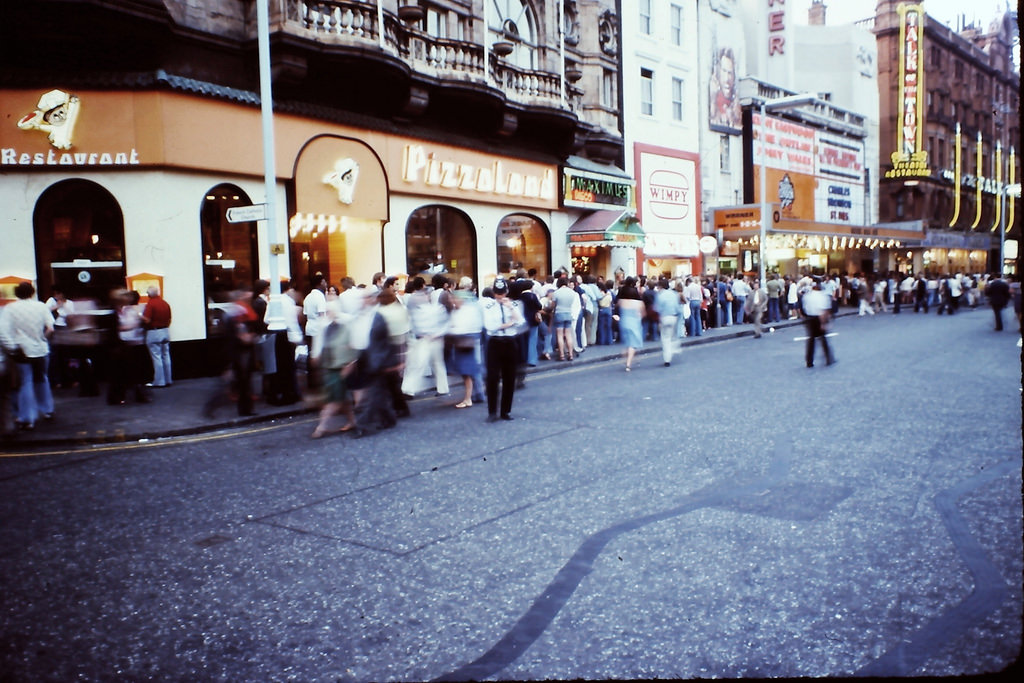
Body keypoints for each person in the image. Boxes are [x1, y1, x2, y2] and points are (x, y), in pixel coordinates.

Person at [0, 282, 55, 430]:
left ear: (17, 293)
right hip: (41, 349)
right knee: (42, 378)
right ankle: (47, 409)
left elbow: (4, 331)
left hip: (22, 350)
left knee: (26, 382)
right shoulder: (41, 306)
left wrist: (12, 348)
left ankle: (28, 417)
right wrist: (43, 338)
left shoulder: (10, 309)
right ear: (32, 292)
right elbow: (50, 327)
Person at [311, 300, 357, 438]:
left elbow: (353, 346)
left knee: (334, 399)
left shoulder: (347, 325)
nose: (327, 313)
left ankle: (322, 427)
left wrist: (350, 364)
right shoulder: (325, 325)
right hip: (329, 366)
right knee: (341, 397)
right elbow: (321, 342)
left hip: (341, 367)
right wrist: (316, 355)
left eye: (330, 310)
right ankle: (353, 420)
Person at [482, 278, 524, 422]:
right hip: (495, 343)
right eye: (497, 294)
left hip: (510, 343)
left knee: (509, 378)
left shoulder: (513, 305)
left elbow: (521, 322)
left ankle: (506, 411)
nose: (500, 296)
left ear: (506, 292)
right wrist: (510, 323)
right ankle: (492, 412)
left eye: (502, 293)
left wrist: (511, 310)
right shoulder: (489, 306)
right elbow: (490, 326)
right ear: (493, 293)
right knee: (492, 378)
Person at [107, 289, 150, 405]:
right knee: (120, 373)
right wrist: (127, 327)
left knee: (132, 372)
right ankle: (117, 396)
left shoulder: (128, 310)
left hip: (129, 345)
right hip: (119, 346)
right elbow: (114, 329)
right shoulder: (114, 313)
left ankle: (135, 394)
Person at [446, 287, 484, 409]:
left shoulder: (467, 311)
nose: (453, 301)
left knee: (467, 372)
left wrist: (451, 331)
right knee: (468, 372)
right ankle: (476, 395)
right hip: (461, 344)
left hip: (466, 344)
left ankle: (468, 399)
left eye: (454, 299)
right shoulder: (458, 310)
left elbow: (462, 327)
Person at [142, 285, 172, 388]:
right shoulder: (165, 303)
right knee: (166, 355)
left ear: (149, 294)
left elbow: (147, 320)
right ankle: (168, 379)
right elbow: (169, 319)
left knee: (157, 357)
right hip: (165, 331)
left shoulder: (151, 304)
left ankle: (159, 381)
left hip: (154, 332)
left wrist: (139, 315)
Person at [802, 278, 835, 368]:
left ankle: (809, 361)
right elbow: (823, 311)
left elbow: (803, 309)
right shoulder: (822, 296)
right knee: (823, 339)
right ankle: (829, 358)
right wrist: (823, 323)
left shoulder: (807, 296)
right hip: (818, 318)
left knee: (811, 340)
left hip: (809, 318)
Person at [615, 277, 645, 372]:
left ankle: (626, 356)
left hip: (623, 322)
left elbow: (616, 307)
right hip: (634, 323)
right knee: (632, 344)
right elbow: (643, 314)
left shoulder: (621, 301)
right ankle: (628, 364)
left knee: (627, 342)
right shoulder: (639, 303)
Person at [709, 46, 740, 130]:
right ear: (718, 73)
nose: (727, 79)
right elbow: (712, 117)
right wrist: (713, 101)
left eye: (730, 73)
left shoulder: (736, 103)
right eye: (724, 71)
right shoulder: (714, 99)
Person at [653, 278, 682, 366]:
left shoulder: (660, 295)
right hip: (673, 317)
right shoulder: (674, 294)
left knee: (665, 338)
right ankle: (675, 346)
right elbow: (678, 307)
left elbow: (656, 308)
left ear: (661, 286)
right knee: (671, 335)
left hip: (664, 317)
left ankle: (667, 359)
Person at [551, 276, 577, 361]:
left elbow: (553, 306)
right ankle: (570, 354)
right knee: (568, 335)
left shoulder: (556, 293)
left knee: (560, 335)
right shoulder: (572, 292)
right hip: (568, 313)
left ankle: (561, 355)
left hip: (559, 314)